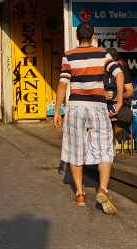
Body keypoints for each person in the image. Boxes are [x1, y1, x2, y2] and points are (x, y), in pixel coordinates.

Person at [53, 22, 124, 214]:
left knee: (76, 148)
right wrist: (118, 101)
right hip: (98, 107)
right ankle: (102, 189)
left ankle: (80, 193)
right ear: (92, 36)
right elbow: (119, 75)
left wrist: (58, 110)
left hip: (76, 107)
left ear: (77, 37)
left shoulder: (69, 55)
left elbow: (62, 84)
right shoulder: (103, 54)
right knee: (104, 148)